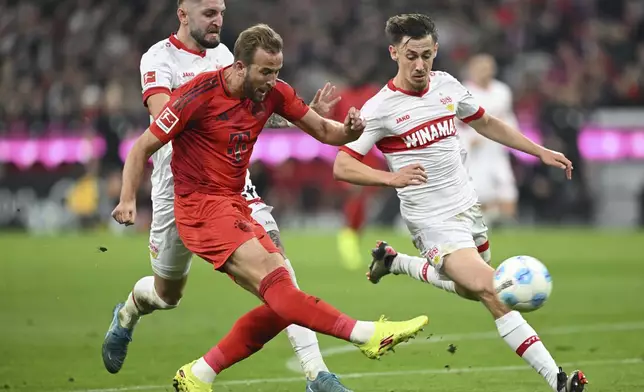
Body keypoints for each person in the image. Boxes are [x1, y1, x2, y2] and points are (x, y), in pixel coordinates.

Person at [112, 23, 428, 392]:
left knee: (283, 297)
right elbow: (140, 147)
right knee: (254, 289)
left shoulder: (273, 93)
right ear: (240, 67)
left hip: (236, 202)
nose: (272, 80)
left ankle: (200, 374)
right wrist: (127, 199)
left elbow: (327, 132)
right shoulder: (196, 95)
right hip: (200, 208)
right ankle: (364, 334)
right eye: (265, 72)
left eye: (277, 71)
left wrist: (351, 129)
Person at [101, 1, 352, 390]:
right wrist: (129, 197)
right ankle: (129, 312)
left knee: (281, 274)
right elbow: (169, 113)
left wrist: (295, 114)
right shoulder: (159, 58)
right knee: (167, 293)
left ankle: (317, 374)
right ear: (183, 14)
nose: (218, 20)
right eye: (208, 13)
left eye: (220, 11)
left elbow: (250, 107)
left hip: (234, 183)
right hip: (178, 186)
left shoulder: (227, 56)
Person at [332, 14, 587, 392]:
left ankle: (394, 261)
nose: (419, 65)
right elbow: (342, 164)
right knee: (494, 290)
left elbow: (485, 122)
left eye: (426, 55)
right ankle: (559, 380)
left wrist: (538, 150)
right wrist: (391, 178)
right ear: (394, 53)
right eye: (410, 56)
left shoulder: (446, 85)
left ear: (435, 51)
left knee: (472, 288)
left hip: (468, 207)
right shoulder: (380, 108)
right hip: (431, 221)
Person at [458, 53, 519, 226]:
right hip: (475, 153)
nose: (485, 71)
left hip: (497, 150)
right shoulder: (462, 92)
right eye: (481, 67)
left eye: (488, 67)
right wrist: (468, 140)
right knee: (479, 194)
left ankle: (507, 228)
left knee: (507, 190)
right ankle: (484, 227)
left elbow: (508, 117)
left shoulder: (502, 91)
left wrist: (512, 137)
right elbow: (455, 125)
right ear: (471, 70)